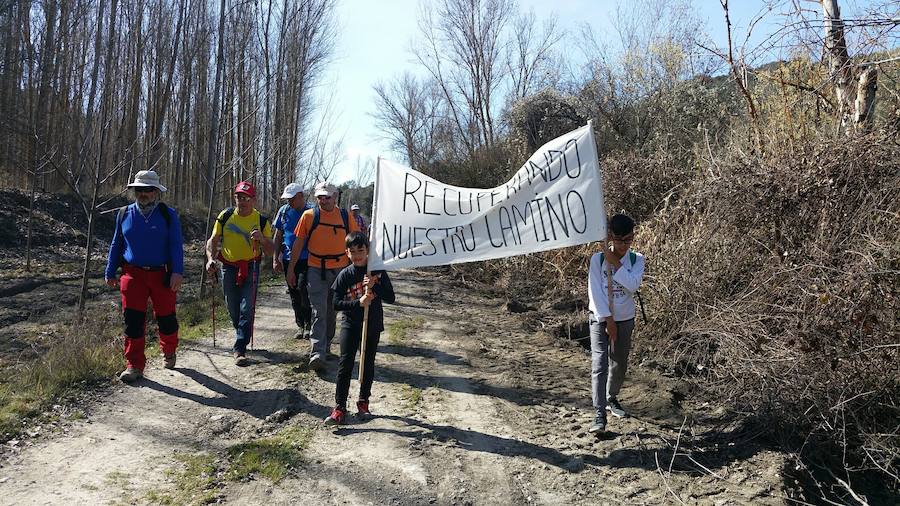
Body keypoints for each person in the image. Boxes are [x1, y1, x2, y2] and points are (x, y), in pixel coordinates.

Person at [105, 170, 184, 383]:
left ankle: (169, 350)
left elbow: (176, 245)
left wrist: (177, 271)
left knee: (166, 318)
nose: (143, 194)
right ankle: (134, 365)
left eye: (148, 190)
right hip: (132, 275)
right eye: (139, 190)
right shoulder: (124, 214)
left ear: (156, 192)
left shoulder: (169, 215)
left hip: (162, 274)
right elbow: (116, 243)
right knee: (133, 321)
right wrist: (110, 270)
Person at [324, 231, 395, 425]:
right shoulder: (345, 275)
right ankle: (339, 407)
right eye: (352, 251)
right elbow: (336, 304)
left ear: (368, 251)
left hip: (372, 324)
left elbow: (391, 297)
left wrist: (375, 285)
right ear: (347, 253)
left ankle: (363, 402)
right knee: (345, 364)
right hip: (350, 324)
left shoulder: (377, 272)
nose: (357, 255)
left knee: (367, 364)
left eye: (361, 250)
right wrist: (358, 302)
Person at [287, 181, 358, 371]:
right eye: (320, 197)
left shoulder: (345, 216)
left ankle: (325, 347)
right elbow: (298, 244)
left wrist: (360, 268)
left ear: (335, 197)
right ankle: (317, 352)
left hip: (340, 270)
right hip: (315, 268)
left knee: (331, 310)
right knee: (319, 310)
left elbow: (357, 242)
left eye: (327, 197)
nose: (323, 200)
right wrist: (291, 269)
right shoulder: (309, 216)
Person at [587, 213, 645, 433]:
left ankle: (612, 398)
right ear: (610, 236)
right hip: (600, 318)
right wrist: (607, 319)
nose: (623, 245)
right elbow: (595, 292)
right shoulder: (597, 260)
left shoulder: (636, 259)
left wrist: (616, 264)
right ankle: (599, 414)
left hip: (625, 319)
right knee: (599, 364)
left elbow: (632, 285)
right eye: (619, 240)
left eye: (628, 240)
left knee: (619, 364)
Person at [205, 181, 275, 366]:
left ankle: (240, 348)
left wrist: (261, 239)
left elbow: (270, 250)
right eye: (238, 197)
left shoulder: (261, 220)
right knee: (232, 307)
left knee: (247, 307)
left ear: (253, 199)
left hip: (251, 267)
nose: (241, 201)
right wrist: (210, 258)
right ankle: (242, 332)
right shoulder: (226, 215)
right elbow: (213, 240)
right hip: (228, 266)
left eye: (245, 198)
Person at [272, 183, 313, 340]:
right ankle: (300, 325)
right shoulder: (284, 212)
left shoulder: (311, 212)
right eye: (287, 199)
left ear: (300, 196)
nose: (289, 202)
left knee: (304, 289)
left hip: (307, 259)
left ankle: (309, 323)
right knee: (294, 293)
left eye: (292, 199)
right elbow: (278, 235)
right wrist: (276, 258)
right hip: (289, 259)